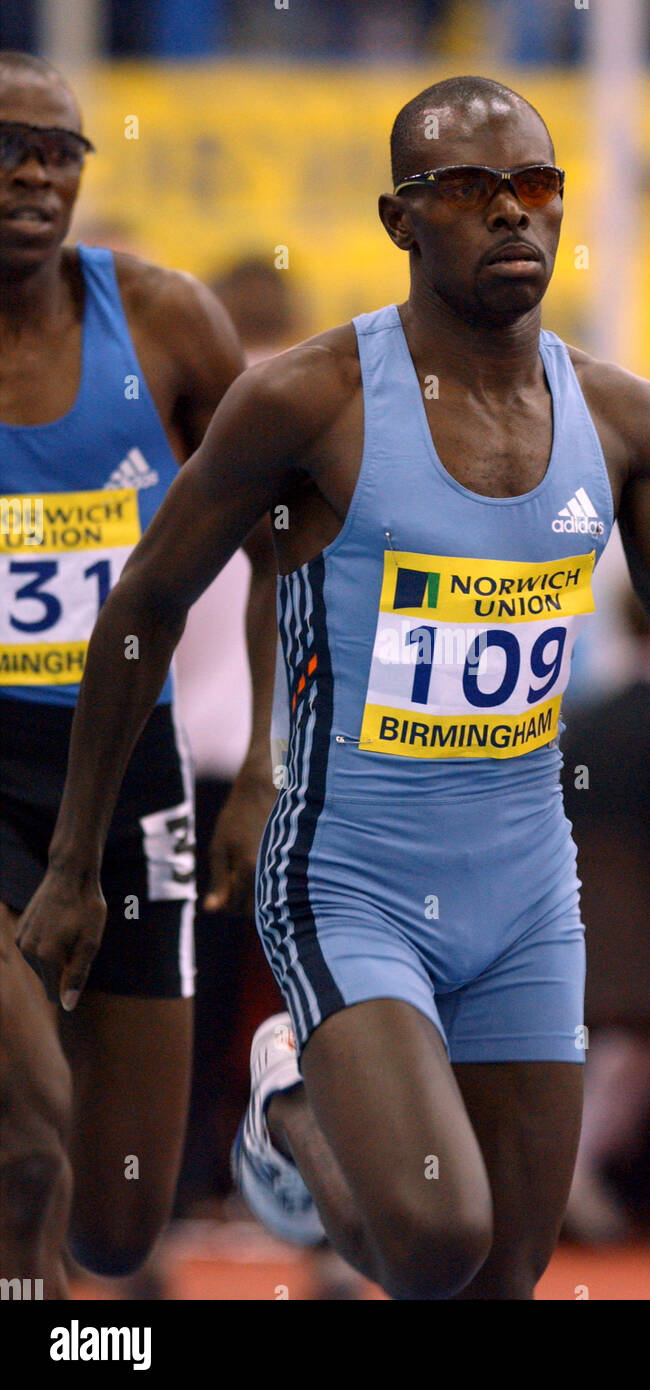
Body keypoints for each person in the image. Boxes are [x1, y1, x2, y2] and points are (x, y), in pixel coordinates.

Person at [16, 74, 650, 1300]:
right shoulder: (309, 401)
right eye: (472, 192)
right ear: (399, 220)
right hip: (350, 881)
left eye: (535, 189)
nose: (512, 217)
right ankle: (287, 1099)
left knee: (502, 1273)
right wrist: (74, 863)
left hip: (527, 895)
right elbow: (142, 607)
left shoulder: (621, 418)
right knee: (435, 1239)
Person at [0, 51, 276, 1295]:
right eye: (9, 145)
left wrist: (265, 762)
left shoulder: (163, 320)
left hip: (129, 774)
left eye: (60, 149)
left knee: (117, 1218)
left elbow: (294, 536)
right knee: (30, 1125)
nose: (34, 172)